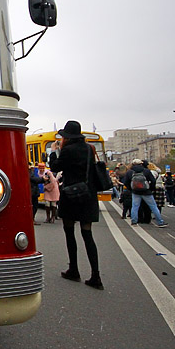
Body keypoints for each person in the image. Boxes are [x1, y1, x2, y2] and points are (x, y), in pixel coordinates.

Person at [48, 120, 104, 290]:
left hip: (71, 195)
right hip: (88, 195)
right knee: (87, 234)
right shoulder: (89, 149)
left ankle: (74, 269)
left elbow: (55, 167)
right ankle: (96, 276)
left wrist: (54, 152)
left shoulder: (67, 150)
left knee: (69, 232)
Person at [124, 159, 167, 228]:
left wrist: (131, 189)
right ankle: (160, 222)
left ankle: (134, 221)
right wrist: (150, 189)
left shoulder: (129, 172)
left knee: (135, 206)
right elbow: (153, 181)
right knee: (153, 207)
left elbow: (126, 182)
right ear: (141, 164)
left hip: (135, 192)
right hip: (146, 192)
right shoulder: (146, 171)